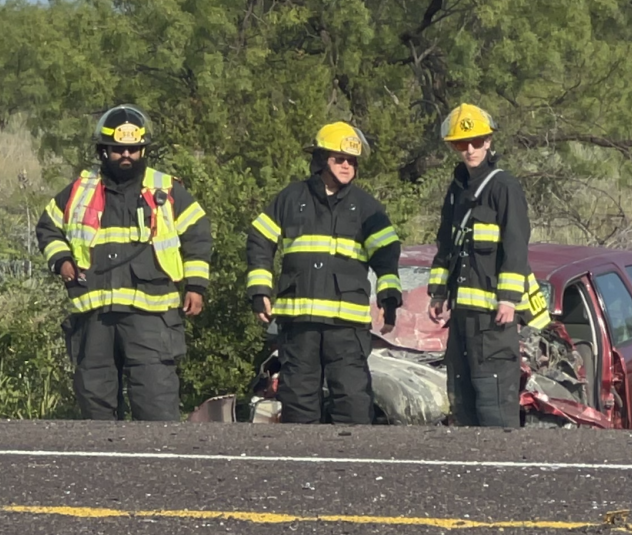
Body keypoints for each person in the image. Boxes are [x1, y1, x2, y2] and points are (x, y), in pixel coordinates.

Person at [35, 105, 211, 421]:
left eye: (133, 149)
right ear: (103, 151)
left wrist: (196, 286)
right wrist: (61, 261)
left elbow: (198, 234)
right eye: (118, 149)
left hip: (151, 318)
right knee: (96, 408)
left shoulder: (166, 189)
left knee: (156, 406)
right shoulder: (80, 190)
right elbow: (48, 226)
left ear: (143, 150)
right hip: (95, 317)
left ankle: (158, 457)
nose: (126, 155)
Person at [246, 122, 402, 425]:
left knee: (353, 402)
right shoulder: (291, 199)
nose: (347, 166)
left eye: (352, 161)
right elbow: (259, 239)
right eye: (339, 159)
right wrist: (259, 289)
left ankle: (352, 455)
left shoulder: (366, 208)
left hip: (346, 328)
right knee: (298, 403)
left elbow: (386, 254)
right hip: (299, 324)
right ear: (320, 160)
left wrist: (389, 297)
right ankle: (305, 456)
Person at [426, 103, 538, 428]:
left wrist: (508, 299)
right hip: (462, 319)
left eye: (476, 141)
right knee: (463, 406)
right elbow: (447, 245)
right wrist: (438, 292)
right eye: (462, 144)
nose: (470, 150)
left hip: (493, 322)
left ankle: (503, 462)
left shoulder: (504, 187)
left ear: (488, 141)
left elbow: (516, 246)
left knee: (495, 408)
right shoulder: (457, 190)